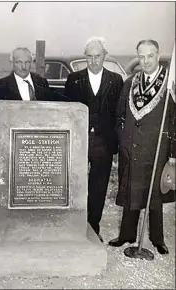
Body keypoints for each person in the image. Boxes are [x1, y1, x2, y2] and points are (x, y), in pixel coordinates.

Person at [108, 39, 175, 254]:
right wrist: (123, 139)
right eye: (142, 56)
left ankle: (157, 239)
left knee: (154, 196)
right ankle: (126, 234)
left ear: (158, 55)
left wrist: (173, 155)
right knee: (131, 193)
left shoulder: (170, 84)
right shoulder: (130, 82)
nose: (145, 61)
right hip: (131, 148)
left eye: (150, 56)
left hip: (157, 149)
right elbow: (119, 115)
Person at [65, 36, 124, 242]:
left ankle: (93, 228)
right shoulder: (74, 79)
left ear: (105, 56)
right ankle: (74, 227)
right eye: (89, 56)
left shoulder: (116, 80)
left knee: (98, 188)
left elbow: (119, 114)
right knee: (75, 185)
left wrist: (116, 144)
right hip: (79, 142)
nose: (93, 60)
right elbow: (68, 113)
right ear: (85, 57)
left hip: (104, 143)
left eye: (97, 56)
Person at [0, 47, 66, 102]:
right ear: (12, 63)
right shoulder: (0, 86)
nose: (23, 67)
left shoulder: (41, 82)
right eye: (19, 62)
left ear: (32, 63)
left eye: (27, 62)